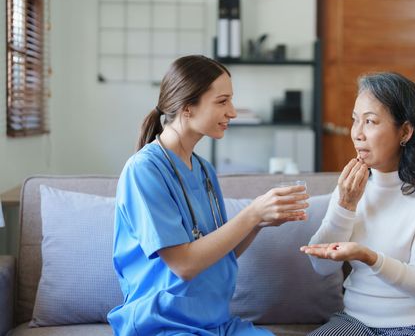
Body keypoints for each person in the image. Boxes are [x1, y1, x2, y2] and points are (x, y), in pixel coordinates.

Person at [107, 55, 309, 336]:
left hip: (215, 322)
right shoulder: (144, 170)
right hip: (163, 324)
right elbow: (185, 264)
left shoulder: (204, 170)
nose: (233, 112)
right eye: (222, 101)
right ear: (188, 106)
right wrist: (251, 213)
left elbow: (220, 252)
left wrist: (258, 223)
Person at [300, 72, 415, 336]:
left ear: (404, 131)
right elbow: (321, 266)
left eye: (370, 121)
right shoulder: (351, 188)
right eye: (355, 120)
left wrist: (367, 256)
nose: (357, 133)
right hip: (356, 320)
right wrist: (344, 206)